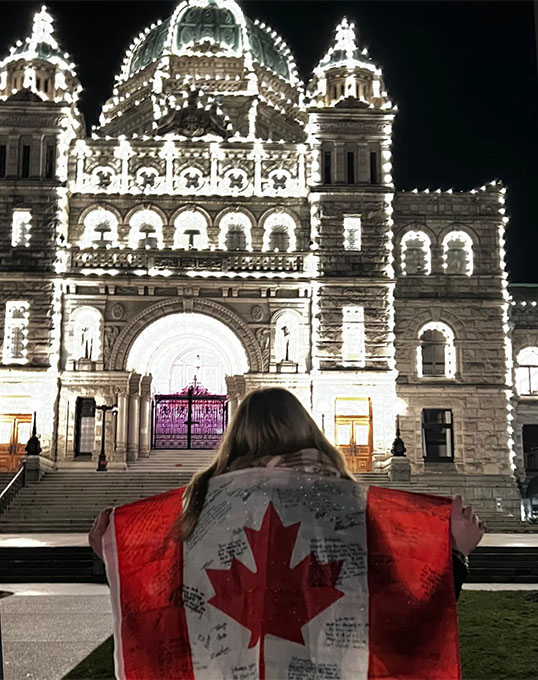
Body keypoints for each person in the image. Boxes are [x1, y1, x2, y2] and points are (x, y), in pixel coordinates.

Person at [89, 388, 484, 678]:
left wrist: (111, 554)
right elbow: (398, 616)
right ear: (307, 429)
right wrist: (455, 554)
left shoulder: (203, 505)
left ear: (236, 436)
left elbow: (166, 608)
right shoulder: (349, 506)